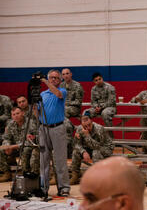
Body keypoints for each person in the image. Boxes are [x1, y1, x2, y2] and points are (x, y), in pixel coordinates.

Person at [38, 69, 70, 197]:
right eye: (51, 77)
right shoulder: (42, 94)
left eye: (56, 78)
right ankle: (43, 187)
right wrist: (34, 107)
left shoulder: (62, 91)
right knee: (43, 160)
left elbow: (57, 94)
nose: (53, 80)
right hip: (43, 128)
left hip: (57, 128)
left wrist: (45, 81)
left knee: (60, 159)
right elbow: (38, 113)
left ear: (60, 80)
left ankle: (64, 187)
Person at [70, 112, 114, 185]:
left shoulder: (99, 129)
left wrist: (87, 136)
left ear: (92, 122)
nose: (87, 128)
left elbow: (97, 146)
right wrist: (83, 152)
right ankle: (76, 175)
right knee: (76, 152)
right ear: (81, 125)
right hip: (90, 147)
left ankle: (98, 176)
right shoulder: (80, 129)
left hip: (105, 148)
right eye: (85, 126)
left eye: (89, 125)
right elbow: (76, 144)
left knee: (96, 152)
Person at [0, 107, 39, 182]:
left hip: (28, 147)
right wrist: (7, 146)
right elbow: (6, 137)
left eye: (18, 113)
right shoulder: (11, 124)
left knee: (26, 150)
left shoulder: (30, 123)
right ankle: (6, 173)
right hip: (15, 148)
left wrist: (13, 146)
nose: (16, 116)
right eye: (13, 114)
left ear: (23, 113)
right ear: (11, 116)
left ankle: (26, 172)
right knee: (2, 149)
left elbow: (32, 141)